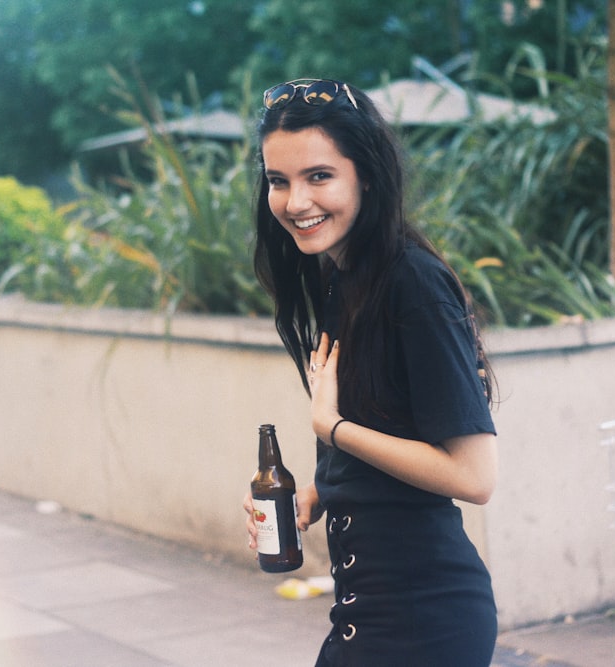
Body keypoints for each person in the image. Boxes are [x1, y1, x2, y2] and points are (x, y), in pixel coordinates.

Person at [242, 79, 499, 666]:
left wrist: (333, 428)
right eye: (278, 181)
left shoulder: (413, 284)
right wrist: (315, 493)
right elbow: (394, 428)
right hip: (371, 612)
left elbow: (475, 476)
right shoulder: (346, 278)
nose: (295, 202)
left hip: (423, 620)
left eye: (319, 176)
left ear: (366, 175)